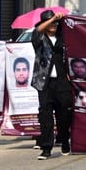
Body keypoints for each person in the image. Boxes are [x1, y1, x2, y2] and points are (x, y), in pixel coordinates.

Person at [31, 10, 72, 160]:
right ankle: (46, 147)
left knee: (64, 113)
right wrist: (53, 18)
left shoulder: (63, 37)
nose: (53, 24)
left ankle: (64, 140)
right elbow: (36, 31)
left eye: (55, 22)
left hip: (62, 81)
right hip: (44, 82)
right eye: (50, 22)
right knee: (45, 115)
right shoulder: (39, 38)